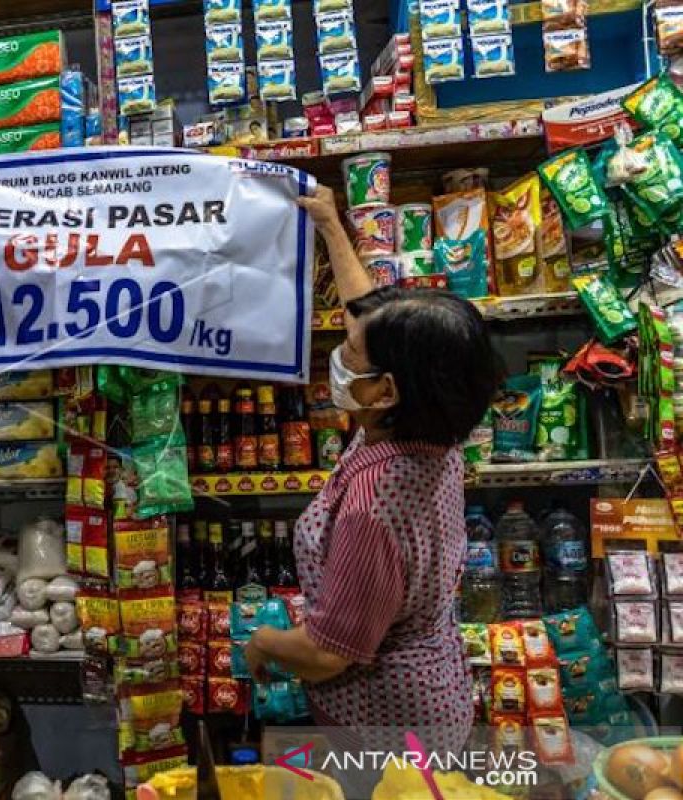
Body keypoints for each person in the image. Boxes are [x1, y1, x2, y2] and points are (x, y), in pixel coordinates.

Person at [245, 185, 498, 781]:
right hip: (436, 698)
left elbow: (329, 653)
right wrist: (332, 223)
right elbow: (371, 316)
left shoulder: (373, 506)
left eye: (349, 353)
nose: (340, 352)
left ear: (385, 391)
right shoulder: (431, 430)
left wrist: (264, 642)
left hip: (388, 734)